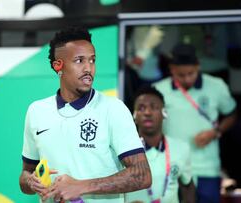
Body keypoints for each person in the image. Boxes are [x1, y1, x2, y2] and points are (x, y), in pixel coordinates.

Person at [19, 26, 152, 203]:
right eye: (79, 61)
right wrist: (31, 181)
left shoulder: (113, 109)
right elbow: (26, 174)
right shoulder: (36, 111)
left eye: (92, 60)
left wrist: (80, 186)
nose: (88, 68)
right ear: (58, 65)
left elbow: (142, 175)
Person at [153, 43, 237, 203]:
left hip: (207, 169)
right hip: (172, 169)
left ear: (198, 66)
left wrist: (215, 132)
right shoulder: (158, 90)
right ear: (171, 69)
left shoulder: (216, 86)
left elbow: (232, 114)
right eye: (181, 75)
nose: (186, 79)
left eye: (191, 73)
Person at [125, 86, 195, 203]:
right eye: (141, 108)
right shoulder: (122, 149)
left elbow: (188, 187)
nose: (147, 112)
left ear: (164, 113)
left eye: (154, 107)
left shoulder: (181, 148)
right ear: (134, 116)